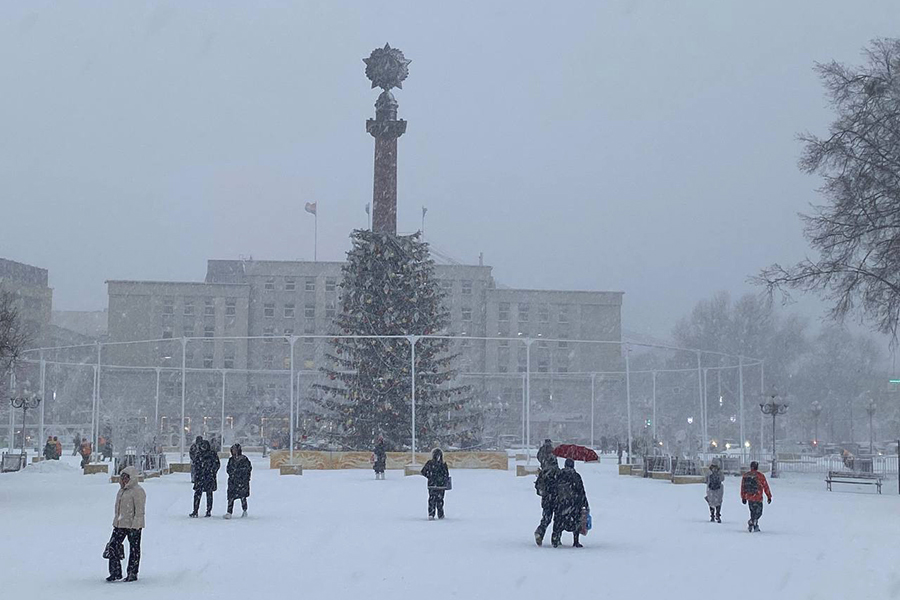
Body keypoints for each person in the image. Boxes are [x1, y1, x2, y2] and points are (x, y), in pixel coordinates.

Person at [106, 466, 145, 582]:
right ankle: (115, 572)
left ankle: (132, 573)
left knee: (134, 549)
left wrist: (136, 525)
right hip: (120, 524)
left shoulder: (138, 491)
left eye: (126, 478)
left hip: (133, 525)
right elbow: (118, 508)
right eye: (122, 478)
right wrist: (116, 521)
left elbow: (139, 510)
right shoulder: (121, 491)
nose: (124, 480)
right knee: (113, 546)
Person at [552, 458, 589, 548]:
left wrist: (553, 501)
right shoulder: (576, 476)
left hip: (560, 503)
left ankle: (556, 539)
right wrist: (585, 504)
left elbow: (553, 489)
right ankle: (576, 541)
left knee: (558, 521)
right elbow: (581, 491)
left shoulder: (559, 475)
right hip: (573, 503)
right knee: (575, 522)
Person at [190, 439, 220, 518]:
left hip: (209, 477)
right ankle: (195, 510)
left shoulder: (212, 454)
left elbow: (217, 464)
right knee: (197, 494)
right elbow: (195, 465)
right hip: (200, 477)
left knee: (209, 494)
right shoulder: (198, 454)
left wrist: (212, 471)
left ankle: (208, 511)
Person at [534, 455, 560, 546]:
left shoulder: (544, 472)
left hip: (546, 500)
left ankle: (540, 532)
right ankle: (556, 537)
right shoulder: (558, 472)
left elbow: (537, 486)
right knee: (558, 518)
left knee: (546, 518)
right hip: (558, 500)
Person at [740, 461, 772, 533]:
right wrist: (769, 496)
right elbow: (765, 486)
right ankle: (754, 522)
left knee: (752, 512)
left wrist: (743, 497)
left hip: (749, 497)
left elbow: (743, 487)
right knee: (759, 512)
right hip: (758, 497)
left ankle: (753, 523)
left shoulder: (746, 475)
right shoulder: (760, 476)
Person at [421, 448, 450, 520]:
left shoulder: (430, 463)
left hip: (432, 485)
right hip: (441, 485)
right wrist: (441, 479)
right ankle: (440, 514)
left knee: (432, 499)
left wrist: (430, 477)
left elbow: (423, 472)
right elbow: (446, 474)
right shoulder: (443, 464)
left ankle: (431, 514)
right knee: (440, 500)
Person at [224, 443, 252, 519]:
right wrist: (232, 473)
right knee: (231, 498)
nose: (234, 451)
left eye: (235, 450)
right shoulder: (231, 460)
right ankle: (229, 512)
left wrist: (240, 474)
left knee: (243, 497)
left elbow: (248, 469)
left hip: (242, 481)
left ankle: (244, 510)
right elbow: (228, 469)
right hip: (233, 481)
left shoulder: (244, 459)